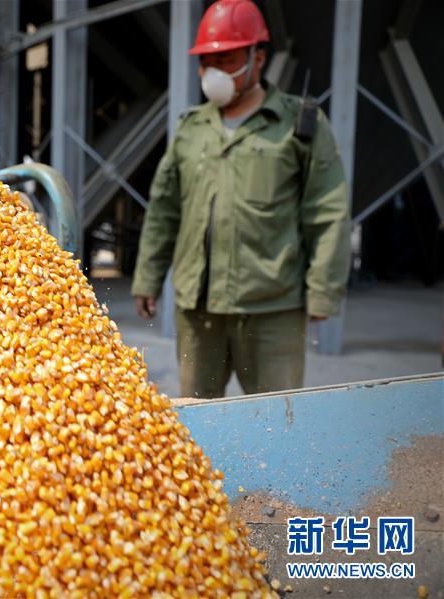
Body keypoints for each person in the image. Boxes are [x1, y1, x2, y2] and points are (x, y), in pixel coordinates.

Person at [132, 0, 350, 398]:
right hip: (198, 312)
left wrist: (322, 290)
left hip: (271, 309)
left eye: (226, 58)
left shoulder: (299, 125)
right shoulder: (191, 128)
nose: (212, 72)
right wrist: (148, 275)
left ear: (258, 58)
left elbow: (327, 208)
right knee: (197, 423)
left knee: (276, 421)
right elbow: (165, 208)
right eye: (206, 62)